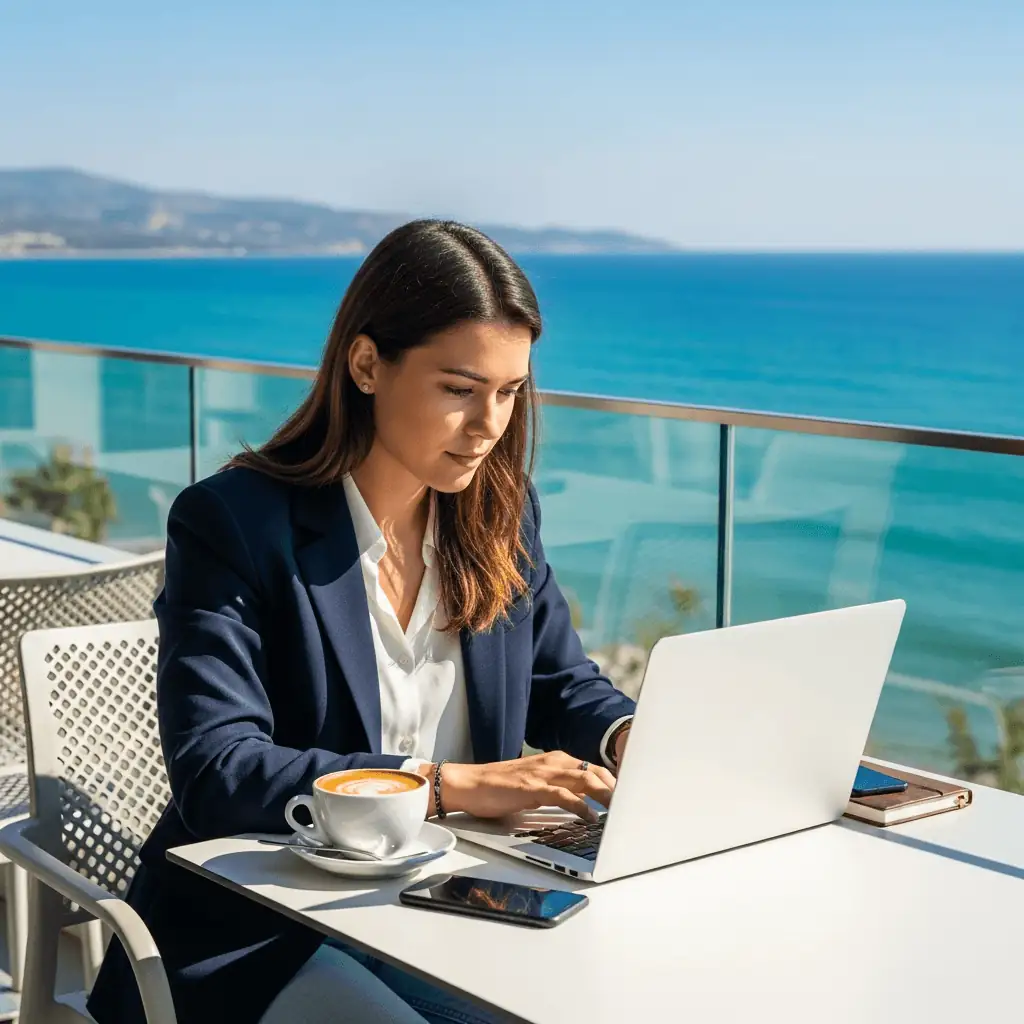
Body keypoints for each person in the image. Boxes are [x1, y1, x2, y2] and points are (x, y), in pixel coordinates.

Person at [88, 220, 636, 1024]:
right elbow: (219, 769)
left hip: (459, 904)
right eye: (459, 389)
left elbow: (559, 681)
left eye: (509, 392)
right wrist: (444, 787)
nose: (489, 425)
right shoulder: (234, 523)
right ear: (368, 365)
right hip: (267, 930)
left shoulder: (502, 514)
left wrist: (631, 739)